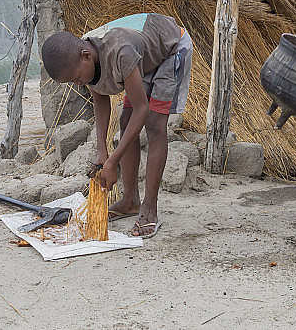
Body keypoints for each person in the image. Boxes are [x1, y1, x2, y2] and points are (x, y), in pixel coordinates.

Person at [41, 13, 192, 239]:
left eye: (77, 78)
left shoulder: (120, 53)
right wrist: (102, 150)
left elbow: (142, 109)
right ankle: (130, 200)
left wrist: (113, 161)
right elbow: (100, 100)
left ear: (86, 56)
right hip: (141, 57)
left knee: (154, 125)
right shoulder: (85, 55)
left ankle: (149, 209)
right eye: (72, 82)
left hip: (170, 50)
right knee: (125, 120)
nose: (78, 83)